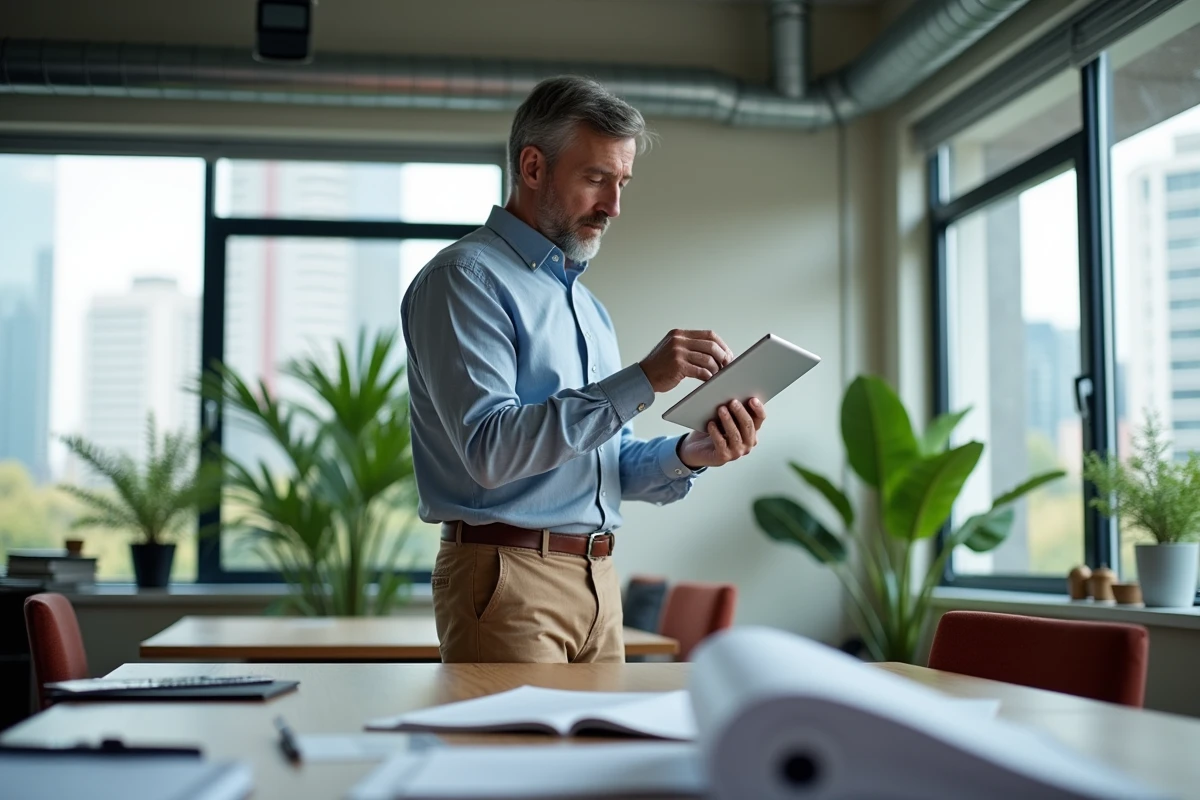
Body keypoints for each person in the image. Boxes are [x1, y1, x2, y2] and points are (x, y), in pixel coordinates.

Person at [400, 75, 767, 664]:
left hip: (598, 578)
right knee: (530, 755)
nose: (614, 207)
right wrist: (643, 378)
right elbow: (491, 451)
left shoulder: (588, 308)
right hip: (506, 578)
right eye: (596, 178)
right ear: (533, 167)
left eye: (621, 183)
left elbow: (607, 462)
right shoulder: (465, 279)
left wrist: (691, 452)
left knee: (600, 758)